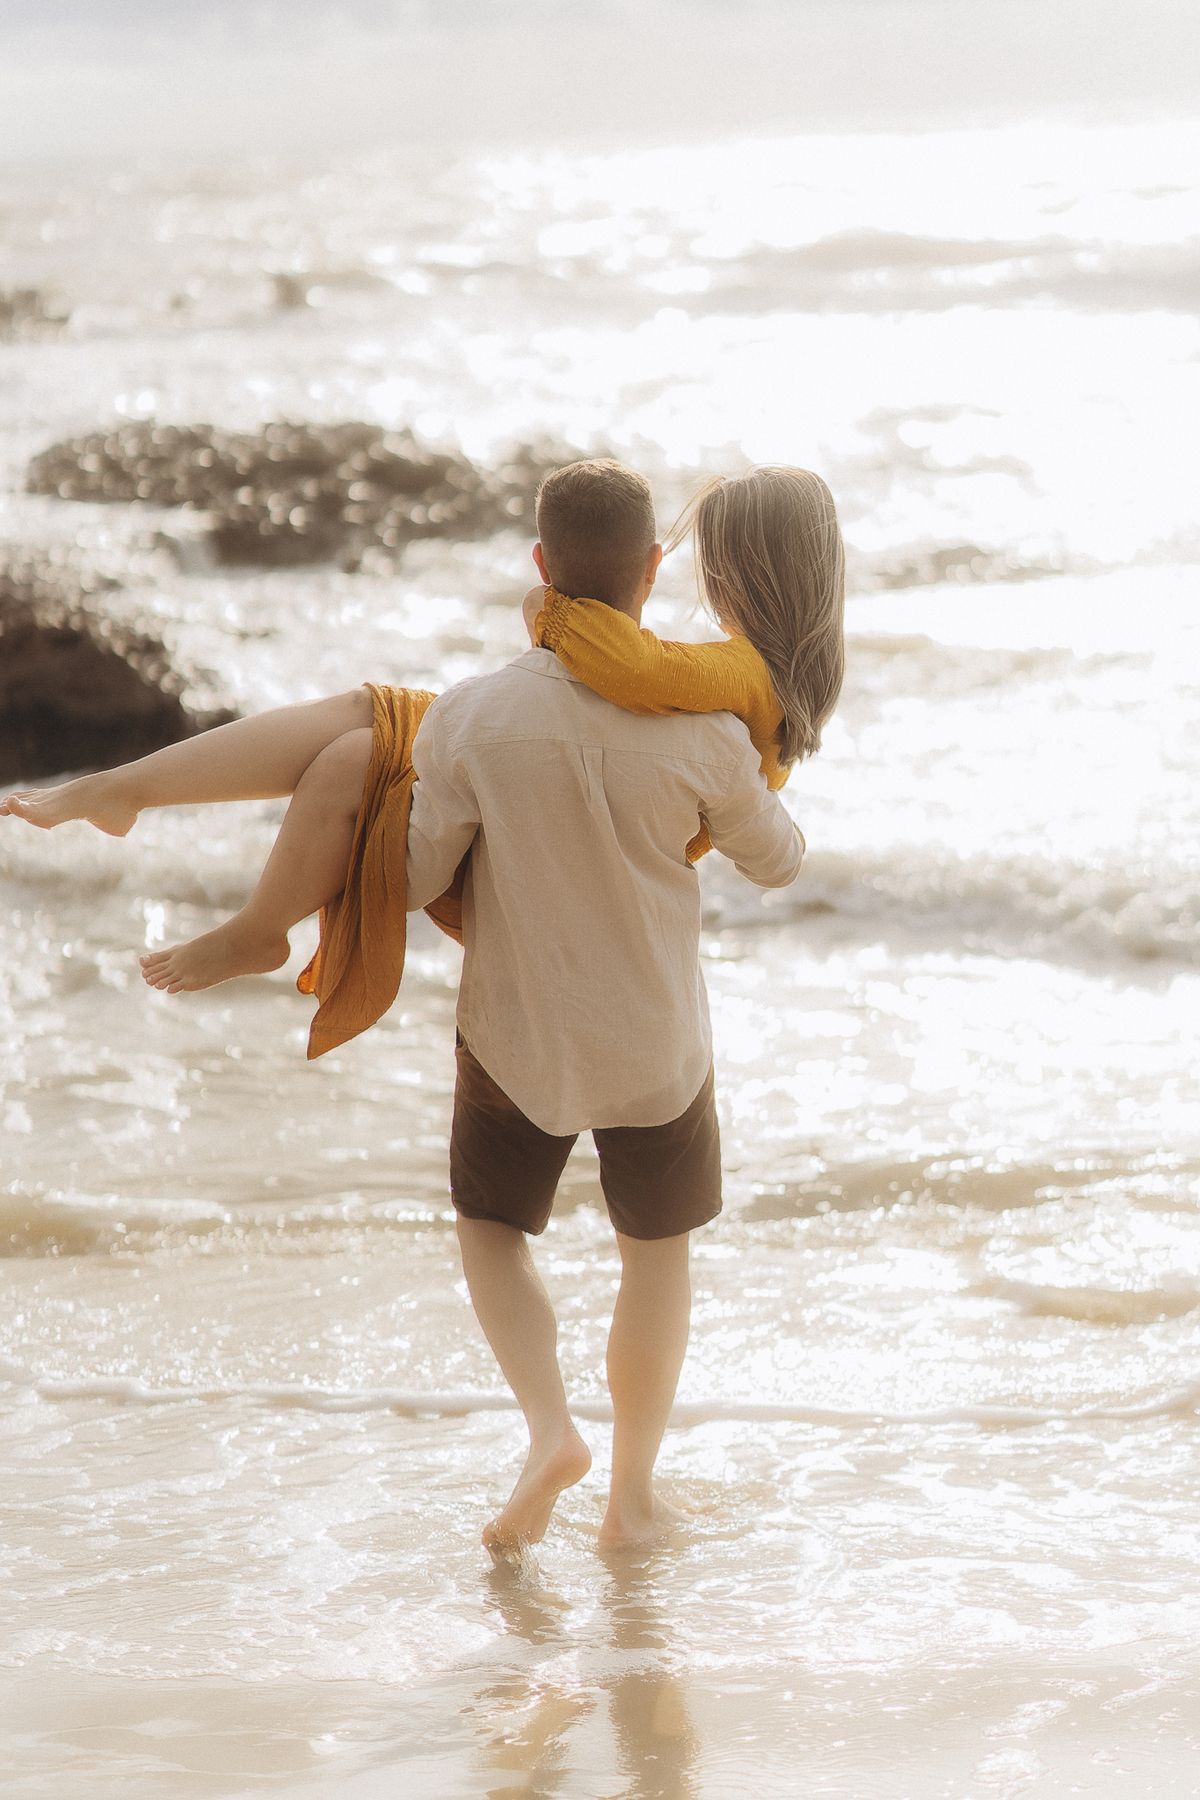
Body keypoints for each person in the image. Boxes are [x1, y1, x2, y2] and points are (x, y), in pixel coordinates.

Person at [398, 459, 809, 1556]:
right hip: (657, 1043)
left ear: (541, 565)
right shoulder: (709, 731)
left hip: (517, 1033)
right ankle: (631, 1502)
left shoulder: (469, 717)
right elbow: (778, 861)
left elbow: (409, 877)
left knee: (493, 1232)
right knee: (655, 1256)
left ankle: (549, 1430)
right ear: (654, 569)